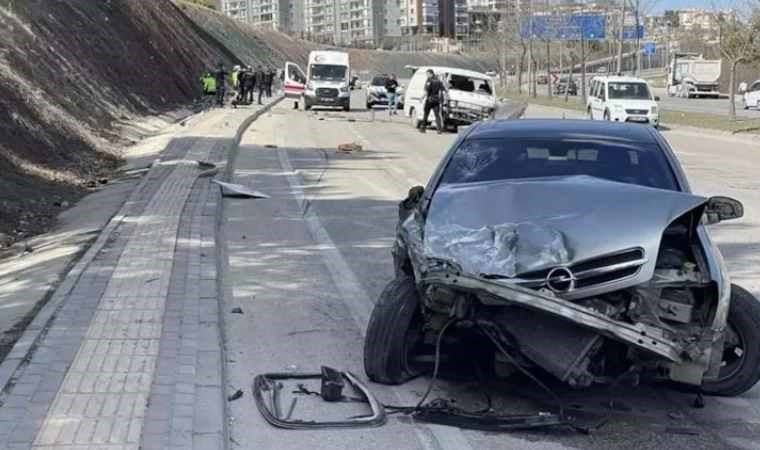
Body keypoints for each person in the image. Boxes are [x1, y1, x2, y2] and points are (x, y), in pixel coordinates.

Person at [418, 69, 445, 134]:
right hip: (436, 101)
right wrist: (441, 100)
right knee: (437, 115)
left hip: (429, 100)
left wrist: (421, 98)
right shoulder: (439, 81)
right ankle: (439, 130)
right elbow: (442, 91)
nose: (427, 75)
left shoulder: (429, 81)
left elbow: (426, 91)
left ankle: (423, 129)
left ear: (431, 73)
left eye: (427, 74)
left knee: (426, 115)